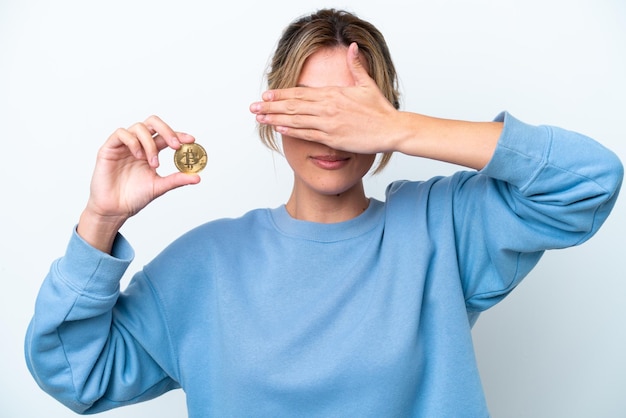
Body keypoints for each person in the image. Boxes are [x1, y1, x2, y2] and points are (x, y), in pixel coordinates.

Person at [25, 8, 622, 418]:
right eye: (310, 107)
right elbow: (76, 373)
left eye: (352, 110)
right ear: (271, 112)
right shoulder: (206, 264)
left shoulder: (441, 231)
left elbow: (588, 180)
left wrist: (400, 129)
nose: (331, 131)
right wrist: (100, 220)